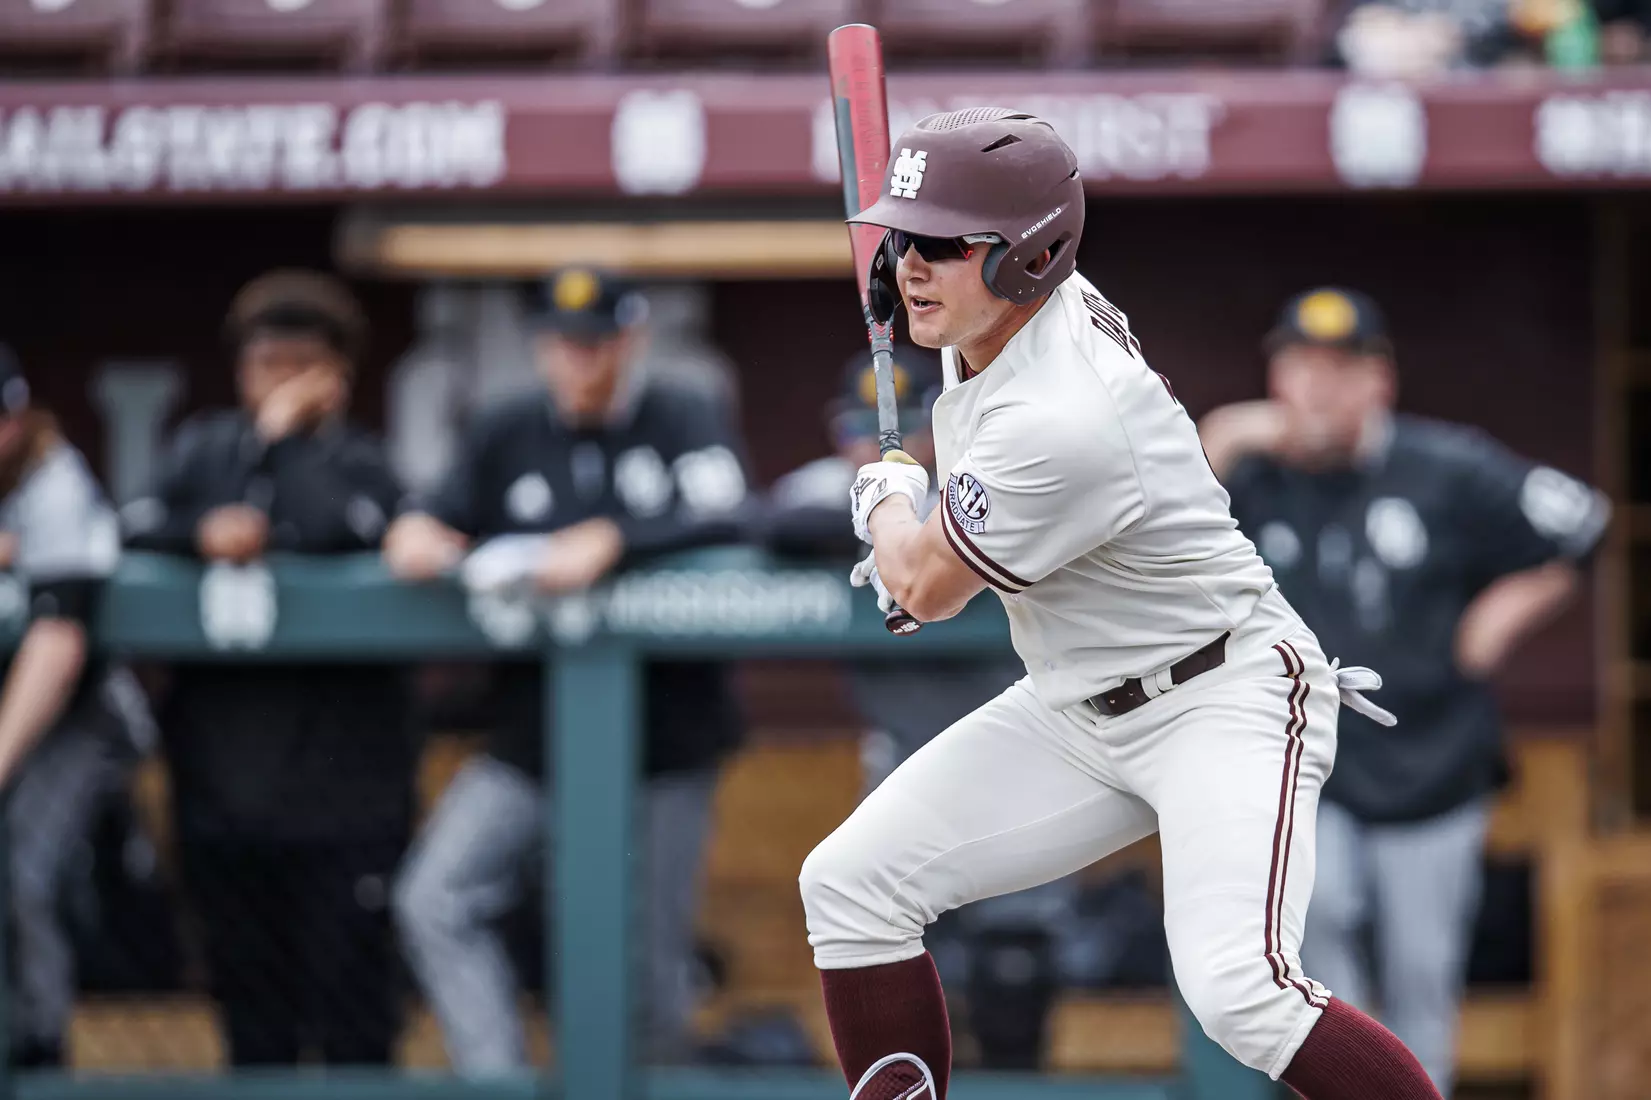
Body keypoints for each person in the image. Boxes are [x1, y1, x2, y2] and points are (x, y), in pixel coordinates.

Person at [796, 107, 1446, 1100]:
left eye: (939, 243)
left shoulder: (1065, 417)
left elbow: (920, 587)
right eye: (899, 237)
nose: (907, 265)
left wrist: (885, 490)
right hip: (1076, 701)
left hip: (1219, 695)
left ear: (1029, 255)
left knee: (1240, 992)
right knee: (849, 884)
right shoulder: (1003, 312)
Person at [1198, 287, 1609, 1095]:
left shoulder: (1445, 465)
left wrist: (1503, 610)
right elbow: (1151, 526)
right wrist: (1219, 437)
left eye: (1338, 369)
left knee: (1423, 969)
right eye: (1299, 367)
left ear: (1377, 380)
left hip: (1433, 763)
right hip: (1312, 764)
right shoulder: (1251, 471)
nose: (1317, 388)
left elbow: (1582, 522)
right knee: (1314, 943)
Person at [384, 267, 750, 1072]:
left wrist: (616, 540)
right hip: (532, 732)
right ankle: (501, 1081)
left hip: (665, 737)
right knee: (435, 896)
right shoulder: (508, 426)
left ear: (630, 341)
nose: (576, 362)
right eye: (561, 344)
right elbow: (431, 521)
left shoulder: (679, 414)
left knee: (649, 966)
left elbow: (729, 514)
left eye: (594, 345)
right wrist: (418, 533)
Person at [123, 270, 411, 1066]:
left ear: (337, 375)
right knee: (252, 1021)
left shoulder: (362, 461)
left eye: (298, 364)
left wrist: (287, 442)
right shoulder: (205, 451)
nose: (277, 382)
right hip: (224, 788)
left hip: (347, 799)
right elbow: (129, 529)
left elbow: (345, 530)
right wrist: (199, 535)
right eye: (265, 364)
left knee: (356, 1019)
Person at [765, 348, 1068, 1070]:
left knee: (1013, 960)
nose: (876, 449)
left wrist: (902, 516)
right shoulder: (845, 486)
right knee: (890, 933)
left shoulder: (988, 478)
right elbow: (770, 520)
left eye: (903, 433)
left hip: (1017, 745)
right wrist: (878, 506)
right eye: (858, 434)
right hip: (899, 749)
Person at [0, 344, 152, 1068]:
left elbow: (57, 646)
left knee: (26, 872)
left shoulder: (57, 483)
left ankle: (39, 1048)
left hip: (79, 715)